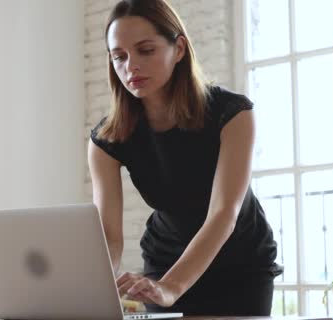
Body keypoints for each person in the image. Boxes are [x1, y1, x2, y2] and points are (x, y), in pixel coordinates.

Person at [88, 0, 282, 316]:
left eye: (145, 50)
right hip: (165, 262)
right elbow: (109, 239)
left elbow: (224, 214)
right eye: (119, 57)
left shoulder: (232, 114)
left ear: (179, 49)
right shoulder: (106, 140)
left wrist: (171, 287)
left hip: (241, 267)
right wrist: (96, 288)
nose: (130, 66)